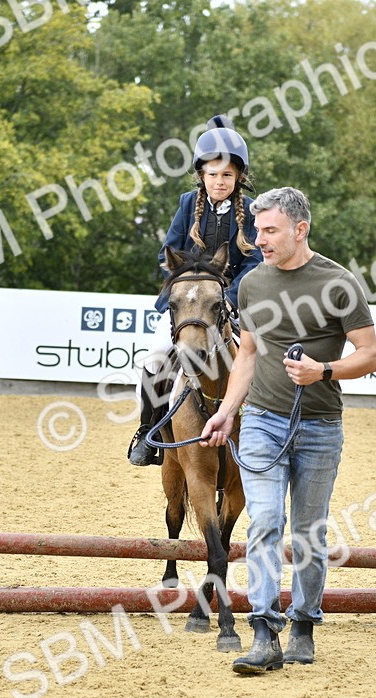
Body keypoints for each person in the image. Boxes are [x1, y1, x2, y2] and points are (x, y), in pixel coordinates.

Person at [199, 187, 376, 674]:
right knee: (264, 523)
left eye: (270, 230)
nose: (259, 239)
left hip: (320, 424)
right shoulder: (253, 284)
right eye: (257, 230)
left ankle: (303, 623)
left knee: (307, 532)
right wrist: (227, 411)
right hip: (261, 421)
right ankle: (263, 631)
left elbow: (369, 355)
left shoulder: (339, 283)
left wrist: (324, 371)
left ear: (300, 230)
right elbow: (248, 355)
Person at [127, 115, 261, 466]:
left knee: (260, 356)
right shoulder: (188, 204)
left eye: (227, 175)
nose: (220, 181)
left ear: (239, 177)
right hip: (188, 303)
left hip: (232, 302)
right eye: (213, 174)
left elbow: (255, 262)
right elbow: (166, 252)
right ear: (202, 175)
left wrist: (229, 299)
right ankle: (148, 432)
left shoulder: (252, 212)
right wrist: (187, 280)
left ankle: (263, 429)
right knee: (156, 357)